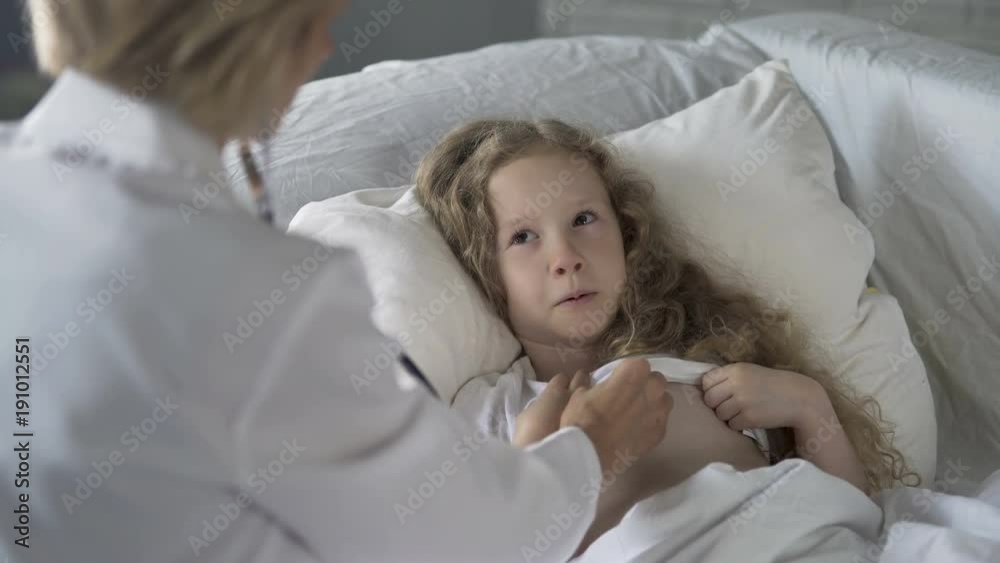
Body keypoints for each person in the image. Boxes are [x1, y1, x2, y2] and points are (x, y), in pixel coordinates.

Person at [0, 2, 673, 562]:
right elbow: (468, 543)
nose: (325, 44)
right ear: (249, 32)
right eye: (312, 18)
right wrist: (594, 447)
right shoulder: (253, 289)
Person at [414, 118, 922, 552]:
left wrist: (810, 408)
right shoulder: (494, 411)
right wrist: (539, 465)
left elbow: (858, 518)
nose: (565, 256)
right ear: (484, 269)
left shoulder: (702, 364)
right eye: (522, 236)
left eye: (584, 219)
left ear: (625, 233)